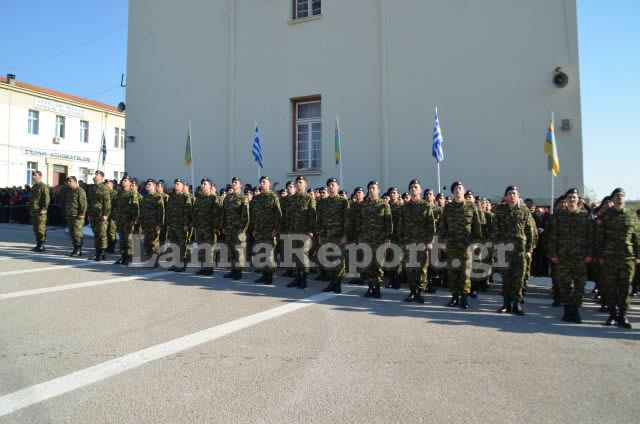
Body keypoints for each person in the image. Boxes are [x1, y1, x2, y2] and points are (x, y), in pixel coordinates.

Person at [594, 188, 640, 329]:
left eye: (622, 196)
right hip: (609, 258)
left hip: (627, 258)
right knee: (610, 288)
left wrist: (638, 255)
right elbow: (599, 238)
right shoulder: (605, 216)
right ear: (612, 199)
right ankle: (612, 315)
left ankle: (622, 315)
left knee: (625, 288)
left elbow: (637, 237)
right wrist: (600, 255)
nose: (620, 198)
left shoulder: (631, 216)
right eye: (617, 196)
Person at [490, 185, 537, 316]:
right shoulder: (500, 210)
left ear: (518, 195)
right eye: (509, 193)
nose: (512, 195)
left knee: (518, 278)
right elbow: (495, 231)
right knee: (505, 277)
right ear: (505, 196)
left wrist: (529, 249)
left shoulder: (524, 210)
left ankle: (516, 304)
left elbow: (530, 231)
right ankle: (506, 304)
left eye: (514, 193)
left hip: (520, 250)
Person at [548, 188, 592, 323]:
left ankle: (575, 310)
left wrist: (590, 254)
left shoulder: (585, 216)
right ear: (566, 200)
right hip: (563, 257)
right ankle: (567, 310)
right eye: (569, 197)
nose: (572, 199)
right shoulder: (560, 216)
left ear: (578, 199)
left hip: (580, 258)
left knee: (580, 286)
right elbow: (553, 236)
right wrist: (552, 254)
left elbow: (591, 237)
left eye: (574, 197)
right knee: (564, 286)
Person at [439, 181, 482, 309]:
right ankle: (454, 297)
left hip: (467, 245)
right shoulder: (448, 207)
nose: (458, 190)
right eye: (456, 189)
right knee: (453, 272)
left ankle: (464, 298)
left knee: (465, 273)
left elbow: (476, 226)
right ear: (453, 192)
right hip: (451, 245)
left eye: (460, 188)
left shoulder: (471, 206)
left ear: (464, 191)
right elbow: (443, 227)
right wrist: (442, 243)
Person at [399, 179, 436, 303]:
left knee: (422, 268)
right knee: (410, 268)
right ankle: (412, 291)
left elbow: (431, 225)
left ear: (420, 190)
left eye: (416, 187)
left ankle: (420, 292)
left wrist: (430, 241)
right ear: (409, 190)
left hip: (422, 243)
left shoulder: (426, 205)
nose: (413, 189)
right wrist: (401, 243)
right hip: (409, 242)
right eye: (411, 187)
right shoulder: (405, 207)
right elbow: (401, 226)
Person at [357, 181, 393, 298]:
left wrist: (388, 238)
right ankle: (370, 287)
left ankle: (377, 289)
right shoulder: (363, 205)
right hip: (366, 239)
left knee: (378, 265)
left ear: (378, 190)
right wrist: (360, 238)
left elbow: (388, 223)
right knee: (368, 265)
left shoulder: (384, 204)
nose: (371, 190)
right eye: (370, 188)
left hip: (380, 240)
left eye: (374, 188)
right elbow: (360, 222)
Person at [318, 178, 349, 293]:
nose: (331, 187)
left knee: (338, 260)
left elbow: (347, 220)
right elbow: (320, 219)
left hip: (338, 236)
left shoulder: (343, 201)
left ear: (338, 187)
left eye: (333, 185)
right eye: (329, 185)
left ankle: (338, 284)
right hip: (326, 236)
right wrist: (320, 235)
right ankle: (331, 282)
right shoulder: (323, 202)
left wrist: (345, 235)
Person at [285, 176, 316, 289]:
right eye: (297, 182)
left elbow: (312, 215)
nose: (298, 184)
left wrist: (311, 230)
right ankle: (297, 277)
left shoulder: (309, 198)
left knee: (303, 256)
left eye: (300, 182)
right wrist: (288, 229)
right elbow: (288, 215)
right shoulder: (291, 199)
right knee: (295, 255)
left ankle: (304, 279)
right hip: (293, 231)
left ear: (305, 184)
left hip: (305, 232)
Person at [249, 176, 281, 284]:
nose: (262, 184)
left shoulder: (273, 197)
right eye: (261, 182)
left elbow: (278, 214)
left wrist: (276, 229)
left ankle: (269, 277)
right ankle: (263, 275)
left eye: (264, 182)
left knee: (269, 253)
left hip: (269, 231)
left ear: (269, 184)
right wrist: (253, 229)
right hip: (259, 231)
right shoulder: (257, 198)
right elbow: (253, 215)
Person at [222, 177, 250, 280]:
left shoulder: (243, 198)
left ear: (240, 186)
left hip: (238, 229)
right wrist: (223, 226)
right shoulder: (228, 198)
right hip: (229, 229)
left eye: (236, 182)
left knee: (238, 251)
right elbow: (223, 213)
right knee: (231, 251)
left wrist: (242, 229)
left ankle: (238, 272)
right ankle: (233, 270)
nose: (233, 184)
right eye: (233, 182)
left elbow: (245, 215)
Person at [193, 178, 222, 275]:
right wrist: (195, 224)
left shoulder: (213, 198)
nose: (202, 186)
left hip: (210, 228)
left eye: (205, 184)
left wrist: (215, 227)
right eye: (202, 184)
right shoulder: (199, 199)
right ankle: (203, 267)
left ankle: (209, 268)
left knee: (209, 248)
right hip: (200, 227)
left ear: (210, 186)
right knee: (201, 247)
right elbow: (195, 213)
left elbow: (216, 214)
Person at [167, 179, 193, 272]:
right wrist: (168, 224)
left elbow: (188, 211)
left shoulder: (186, 197)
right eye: (175, 184)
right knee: (174, 245)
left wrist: (186, 224)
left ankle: (182, 264)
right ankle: (175, 263)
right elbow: (168, 212)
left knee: (182, 245)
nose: (176, 185)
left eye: (178, 184)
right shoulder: (171, 197)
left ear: (182, 186)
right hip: (173, 225)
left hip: (182, 225)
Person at [113, 176, 140, 265]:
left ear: (130, 183)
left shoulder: (132, 194)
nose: (123, 182)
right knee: (122, 239)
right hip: (120, 220)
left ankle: (129, 258)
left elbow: (135, 207)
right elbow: (115, 206)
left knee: (129, 240)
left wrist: (134, 219)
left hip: (129, 221)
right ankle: (123, 256)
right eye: (122, 180)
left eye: (125, 180)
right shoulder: (119, 194)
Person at [87, 171, 111, 261]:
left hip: (101, 215)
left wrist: (105, 214)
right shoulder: (92, 188)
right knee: (96, 235)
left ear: (101, 177)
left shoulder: (104, 188)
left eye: (97, 175)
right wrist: (88, 213)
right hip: (93, 214)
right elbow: (89, 202)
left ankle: (102, 253)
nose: (95, 176)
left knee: (102, 235)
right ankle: (97, 253)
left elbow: (107, 203)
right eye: (95, 175)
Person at [139, 179, 165, 264]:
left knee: (154, 243)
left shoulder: (157, 197)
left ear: (154, 186)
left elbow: (161, 212)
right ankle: (150, 258)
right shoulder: (144, 198)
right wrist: (141, 222)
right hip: (146, 224)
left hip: (154, 225)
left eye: (149, 184)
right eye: (147, 184)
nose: (147, 186)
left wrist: (159, 224)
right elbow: (142, 211)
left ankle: (154, 261)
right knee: (146, 243)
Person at [64, 176, 87, 257]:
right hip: (70, 215)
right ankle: (75, 247)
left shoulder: (80, 191)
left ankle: (78, 249)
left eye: (70, 181)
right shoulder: (70, 191)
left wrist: (82, 214)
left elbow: (83, 204)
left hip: (77, 216)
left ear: (75, 182)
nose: (68, 183)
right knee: (72, 232)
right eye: (68, 182)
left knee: (77, 233)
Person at [29, 170, 49, 252]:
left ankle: (42, 245)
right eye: (33, 175)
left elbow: (46, 198)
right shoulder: (34, 187)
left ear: (40, 176)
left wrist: (44, 208)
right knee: (35, 228)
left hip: (40, 210)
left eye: (35, 175)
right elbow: (32, 199)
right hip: (34, 210)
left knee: (41, 228)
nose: (33, 176)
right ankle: (38, 244)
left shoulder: (43, 186)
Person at [105, 180, 118, 253]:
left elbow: (116, 206)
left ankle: (112, 247)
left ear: (112, 185)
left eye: (108, 183)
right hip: (106, 216)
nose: (106, 184)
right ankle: (108, 246)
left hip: (113, 216)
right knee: (106, 231)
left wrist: (113, 215)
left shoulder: (115, 193)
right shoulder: (105, 193)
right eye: (105, 183)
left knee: (111, 232)